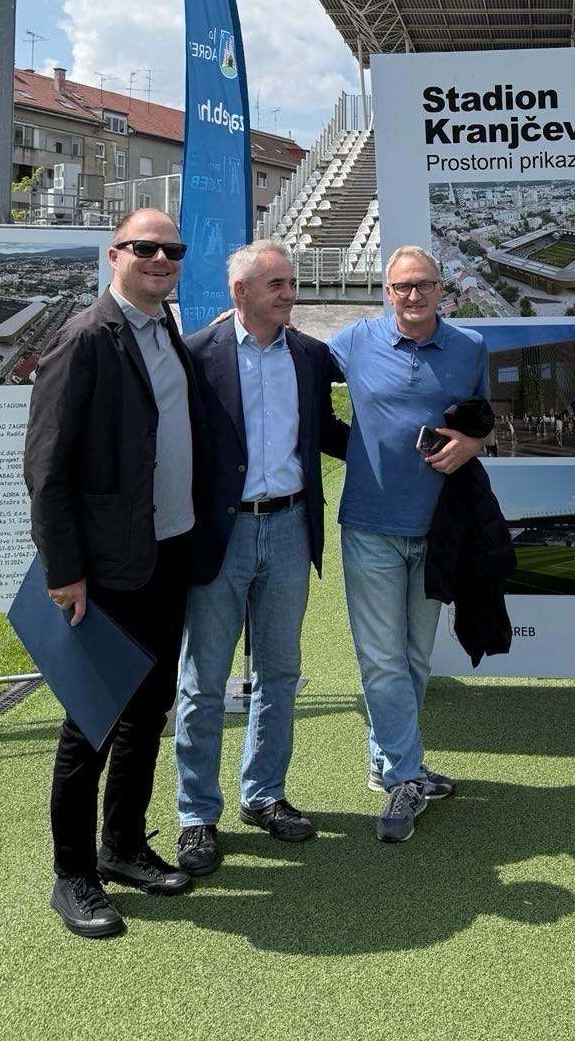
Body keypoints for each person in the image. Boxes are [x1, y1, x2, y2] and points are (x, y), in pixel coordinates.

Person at [25, 208, 205, 938]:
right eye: (145, 247)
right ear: (115, 255)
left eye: (172, 249)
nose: (161, 258)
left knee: (147, 712)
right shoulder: (84, 339)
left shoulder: (166, 330)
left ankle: (123, 846)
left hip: (167, 554)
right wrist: (64, 572)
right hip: (104, 568)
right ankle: (73, 875)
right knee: (90, 723)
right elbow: (46, 468)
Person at [172, 240, 350, 877]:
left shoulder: (309, 355)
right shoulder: (195, 355)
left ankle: (264, 794)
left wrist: (400, 451)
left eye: (291, 283)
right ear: (240, 292)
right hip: (220, 537)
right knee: (203, 681)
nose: (289, 294)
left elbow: (327, 431)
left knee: (279, 672)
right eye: (276, 284)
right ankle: (196, 814)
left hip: (290, 528)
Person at [330, 245, 490, 843]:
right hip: (370, 524)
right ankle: (403, 775)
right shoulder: (354, 341)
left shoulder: (470, 346)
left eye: (424, 284)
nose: (413, 295)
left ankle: (389, 761)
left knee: (417, 655)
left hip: (439, 527)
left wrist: (474, 444)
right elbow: (293, 365)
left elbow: (481, 420)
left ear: (441, 288)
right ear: (387, 291)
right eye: (402, 287)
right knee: (381, 658)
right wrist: (234, 320)